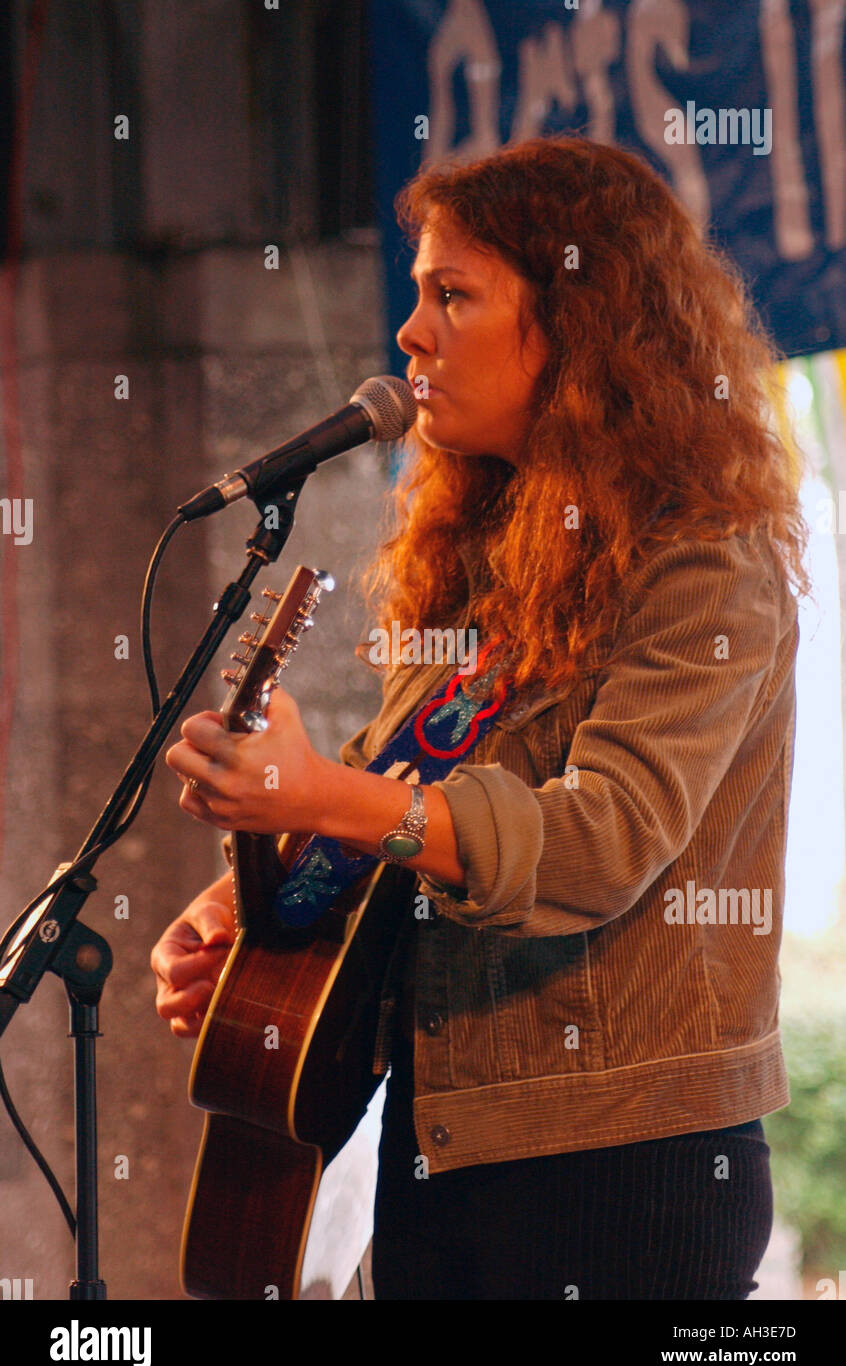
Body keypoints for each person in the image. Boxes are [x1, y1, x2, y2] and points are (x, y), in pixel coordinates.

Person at [151, 134, 809, 1300]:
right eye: (417, 295)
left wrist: (322, 796)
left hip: (628, 1172)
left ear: (584, 326)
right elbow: (400, 776)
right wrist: (244, 899)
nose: (410, 335)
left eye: (453, 295)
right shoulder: (497, 554)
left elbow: (598, 841)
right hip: (447, 1134)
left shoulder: (707, 560)